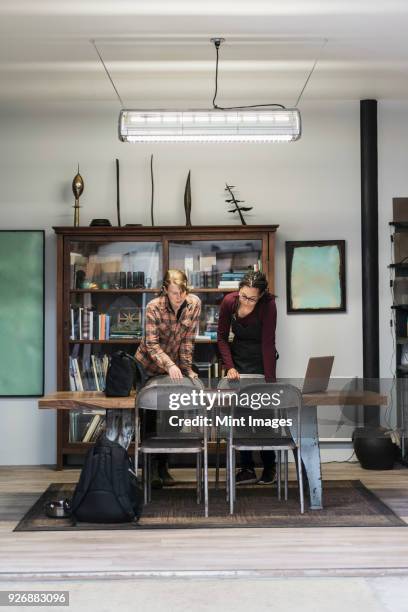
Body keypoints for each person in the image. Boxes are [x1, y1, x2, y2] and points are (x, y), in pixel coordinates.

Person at [135, 269, 201, 488]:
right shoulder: (153, 307)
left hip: (174, 368)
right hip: (150, 366)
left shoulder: (194, 304)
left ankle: (164, 467)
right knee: (151, 416)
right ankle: (150, 469)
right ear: (165, 290)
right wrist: (170, 364)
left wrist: (187, 369)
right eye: (174, 293)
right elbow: (151, 345)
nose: (179, 297)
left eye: (182, 292)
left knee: (174, 413)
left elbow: (188, 341)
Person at [217, 270, 277, 485]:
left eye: (252, 297)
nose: (247, 300)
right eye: (243, 295)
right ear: (239, 291)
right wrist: (229, 366)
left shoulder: (268, 306)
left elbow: (268, 344)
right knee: (240, 416)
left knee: (264, 417)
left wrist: (270, 383)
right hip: (238, 361)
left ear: (261, 295)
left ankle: (270, 466)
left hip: (261, 361)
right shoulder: (229, 302)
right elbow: (222, 339)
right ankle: (247, 468)